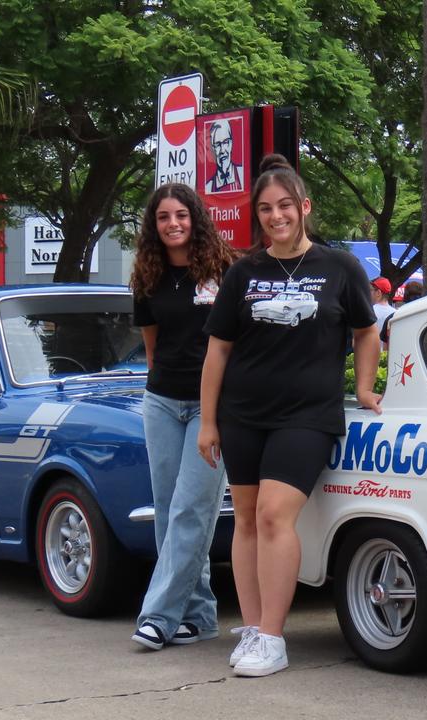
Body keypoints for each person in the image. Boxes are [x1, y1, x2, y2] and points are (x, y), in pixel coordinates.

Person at [198, 154, 381, 677]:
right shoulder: (244, 272)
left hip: (307, 415)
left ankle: (274, 638)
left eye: (284, 206)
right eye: (265, 210)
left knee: (277, 516)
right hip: (243, 414)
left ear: (303, 207)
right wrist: (209, 421)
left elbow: (367, 331)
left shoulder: (339, 267)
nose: (276, 217)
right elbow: (218, 351)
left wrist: (365, 389)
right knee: (249, 520)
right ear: (257, 216)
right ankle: (253, 627)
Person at [129, 183, 237, 651]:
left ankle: (157, 615)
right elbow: (153, 350)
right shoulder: (146, 277)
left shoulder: (223, 269)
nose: (173, 224)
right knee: (168, 513)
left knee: (192, 508)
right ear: (154, 226)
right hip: (160, 404)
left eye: (180, 215)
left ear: (195, 218)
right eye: (163, 218)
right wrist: (162, 391)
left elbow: (237, 341)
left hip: (210, 407)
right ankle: (199, 615)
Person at [205, 120, 244, 194]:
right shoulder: (208, 187)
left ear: (231, 143)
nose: (222, 150)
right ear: (212, 149)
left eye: (225, 142)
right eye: (217, 145)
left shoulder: (243, 175)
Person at [370, 276, 394, 341]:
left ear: (378, 293)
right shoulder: (396, 313)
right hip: (389, 351)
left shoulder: (369, 311)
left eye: (370, 290)